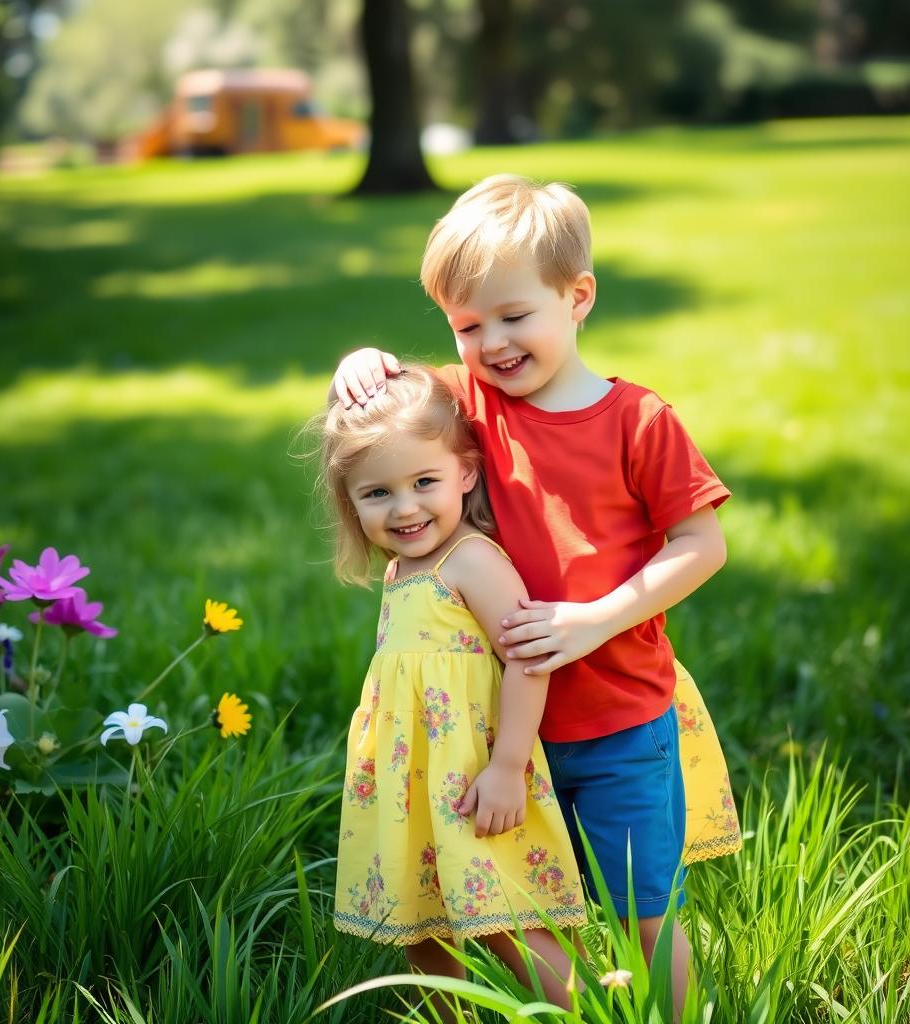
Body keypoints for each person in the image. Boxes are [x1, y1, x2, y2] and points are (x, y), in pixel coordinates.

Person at [330, 174, 742, 1015]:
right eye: (468, 326)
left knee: (640, 913)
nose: (494, 343)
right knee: (522, 905)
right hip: (501, 728)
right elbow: (398, 403)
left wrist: (598, 619)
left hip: (619, 713)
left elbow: (703, 545)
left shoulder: (638, 421)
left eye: (514, 317)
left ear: (578, 295)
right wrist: (358, 363)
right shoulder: (470, 404)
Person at [313, 365, 585, 1015]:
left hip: (473, 780)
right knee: (425, 921)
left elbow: (529, 660)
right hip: (416, 786)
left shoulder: (470, 561)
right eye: (377, 493)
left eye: (424, 483)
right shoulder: (404, 571)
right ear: (349, 500)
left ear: (465, 471)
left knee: (504, 919)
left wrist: (508, 766)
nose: (405, 508)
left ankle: (587, 1014)